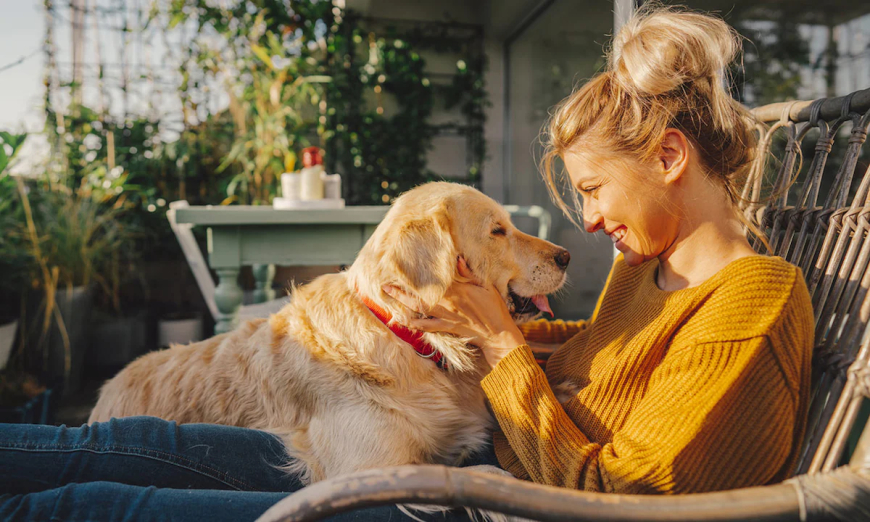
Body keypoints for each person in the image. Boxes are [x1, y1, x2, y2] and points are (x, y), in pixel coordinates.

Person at [0, 4, 813, 520]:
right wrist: (481, 331)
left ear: (670, 155)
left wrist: (497, 342)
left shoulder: (754, 302)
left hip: (462, 498)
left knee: (92, 503)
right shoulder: (651, 269)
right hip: (457, 466)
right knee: (105, 447)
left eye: (595, 189)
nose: (590, 219)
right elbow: (604, 357)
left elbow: (616, 498)